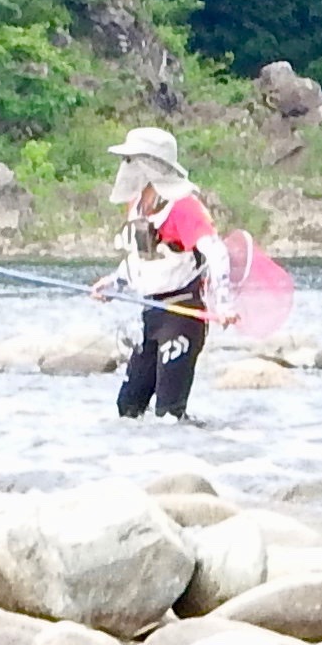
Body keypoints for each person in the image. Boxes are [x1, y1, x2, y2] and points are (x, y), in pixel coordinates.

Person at [92, 123, 215, 421]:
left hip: (183, 314)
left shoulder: (183, 207)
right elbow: (140, 258)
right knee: (128, 409)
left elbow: (217, 253)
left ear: (152, 165)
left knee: (169, 414)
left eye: (132, 160)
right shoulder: (137, 205)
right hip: (151, 313)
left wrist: (224, 303)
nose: (126, 166)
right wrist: (115, 282)